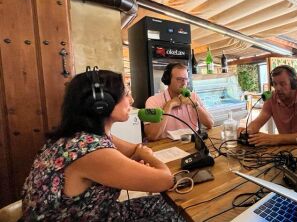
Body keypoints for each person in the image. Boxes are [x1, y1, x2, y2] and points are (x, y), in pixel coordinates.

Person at [21, 67, 184, 221]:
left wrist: (137, 154)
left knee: (165, 206)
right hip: (92, 217)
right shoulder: (90, 151)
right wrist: (146, 155)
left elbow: (134, 149)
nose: (132, 100)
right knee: (177, 215)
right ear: (102, 104)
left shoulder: (83, 136)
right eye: (126, 94)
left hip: (99, 212)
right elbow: (166, 180)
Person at [240, 65, 297, 146]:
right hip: (286, 149)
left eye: (283, 84)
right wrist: (249, 131)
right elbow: (258, 121)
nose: (278, 88)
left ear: (294, 84)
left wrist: (275, 139)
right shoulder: (271, 97)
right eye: (275, 84)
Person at [145, 63, 213, 141]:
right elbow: (151, 136)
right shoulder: (152, 101)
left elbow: (210, 124)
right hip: (167, 148)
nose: (184, 83)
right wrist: (169, 105)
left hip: (192, 144)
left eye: (186, 79)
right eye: (179, 79)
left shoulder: (193, 97)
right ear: (168, 80)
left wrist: (195, 105)